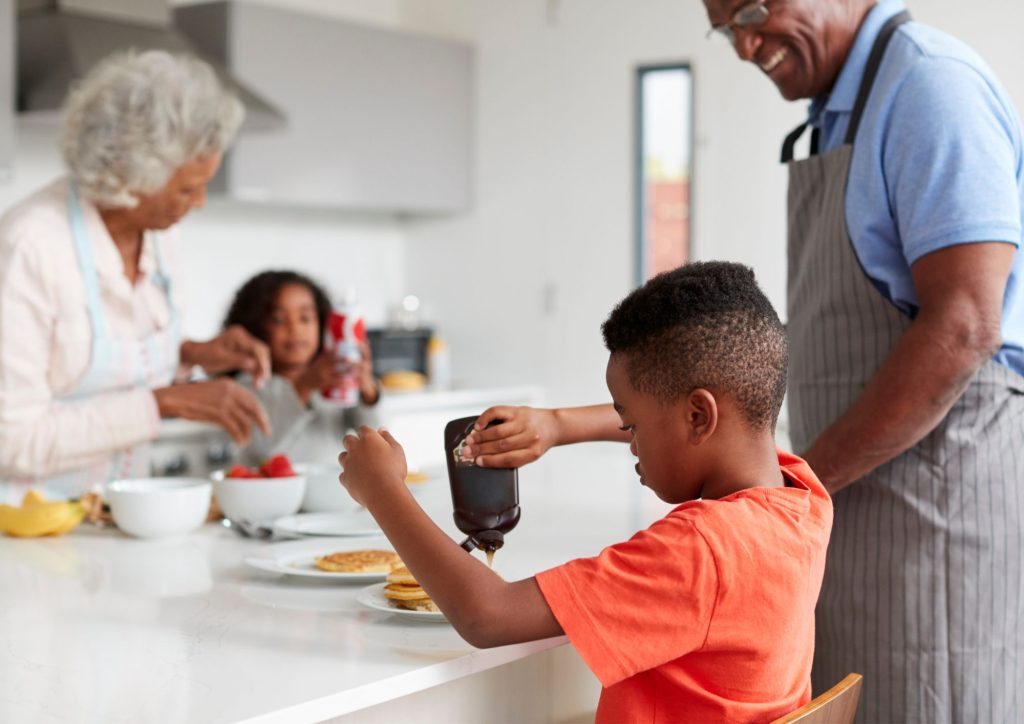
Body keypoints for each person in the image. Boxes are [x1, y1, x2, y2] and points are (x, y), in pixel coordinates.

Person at [466, 1, 1024, 720]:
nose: (743, 45)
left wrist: (783, 495)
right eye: (725, 26)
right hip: (855, 505)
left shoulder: (930, 87)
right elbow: (727, 403)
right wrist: (563, 424)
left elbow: (964, 326)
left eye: (755, 9)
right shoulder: (840, 114)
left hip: (934, 515)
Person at [339, 262, 833, 722]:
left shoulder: (700, 551)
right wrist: (557, 425)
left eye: (631, 424)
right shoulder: (802, 495)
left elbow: (487, 617)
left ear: (698, 417)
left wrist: (384, 490)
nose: (630, 443)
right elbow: (706, 425)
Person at [0, 50, 272, 501]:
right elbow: (10, 440)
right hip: (27, 535)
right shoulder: (30, 247)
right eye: (187, 188)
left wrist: (194, 353)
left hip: (117, 515)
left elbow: (97, 358)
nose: (199, 202)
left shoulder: (160, 235)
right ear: (128, 175)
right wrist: (164, 402)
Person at [223, 270, 380, 465]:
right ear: (256, 327)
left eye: (305, 318)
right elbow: (262, 447)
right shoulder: (248, 385)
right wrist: (304, 386)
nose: (295, 328)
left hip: (331, 492)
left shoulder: (334, 384)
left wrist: (367, 391)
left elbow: (376, 439)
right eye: (279, 319)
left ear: (322, 324)